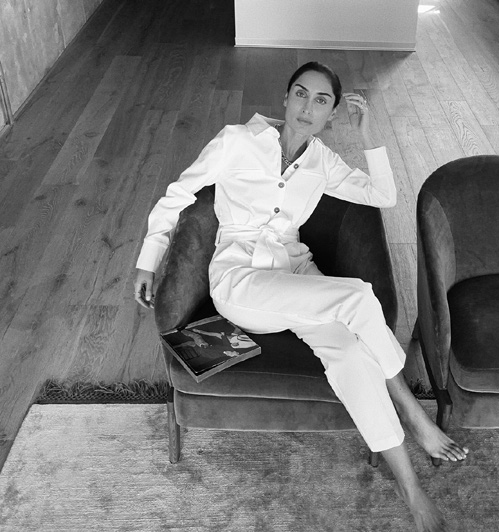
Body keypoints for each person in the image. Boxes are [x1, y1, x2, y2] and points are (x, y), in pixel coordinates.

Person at [134, 61, 468, 531]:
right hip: (240, 280)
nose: (307, 107)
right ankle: (414, 412)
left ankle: (411, 490)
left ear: (331, 114)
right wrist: (148, 259)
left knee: (350, 353)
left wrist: (368, 134)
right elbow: (179, 193)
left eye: (321, 100)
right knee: (358, 298)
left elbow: (384, 195)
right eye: (300, 94)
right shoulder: (237, 140)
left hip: (296, 274)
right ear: (286, 98)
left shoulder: (322, 162)